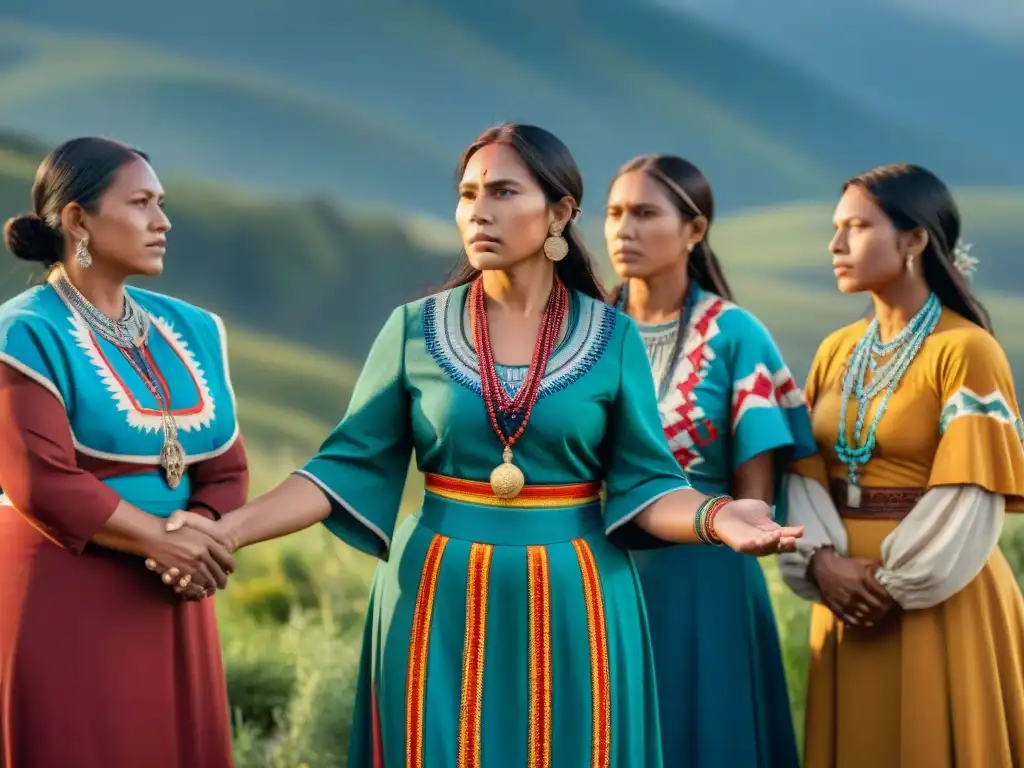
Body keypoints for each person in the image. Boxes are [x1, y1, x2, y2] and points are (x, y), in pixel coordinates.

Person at [157, 123, 802, 767]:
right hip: (436, 592)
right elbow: (340, 470)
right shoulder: (413, 329)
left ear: (559, 213)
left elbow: (648, 484)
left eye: (501, 192)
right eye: (467, 194)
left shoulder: (612, 337)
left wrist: (718, 516)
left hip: (580, 599)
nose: (478, 212)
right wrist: (229, 531)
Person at [0, 138, 246, 768]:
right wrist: (163, 541)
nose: (162, 222)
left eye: (160, 204)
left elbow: (226, 468)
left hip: (173, 590)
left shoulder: (191, 327)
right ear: (78, 220)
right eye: (141, 204)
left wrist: (200, 536)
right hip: (65, 590)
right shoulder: (25, 330)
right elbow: (43, 482)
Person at [778, 163, 1024, 767]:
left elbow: (971, 490)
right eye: (835, 228)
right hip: (842, 594)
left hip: (938, 591)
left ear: (915, 240)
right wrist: (824, 565)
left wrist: (894, 583)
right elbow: (806, 473)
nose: (835, 245)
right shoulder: (837, 350)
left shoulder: (966, 349)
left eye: (857, 228)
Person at [605, 153, 814, 767]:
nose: (624, 229)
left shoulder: (736, 335)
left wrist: (741, 524)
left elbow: (755, 498)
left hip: (707, 578)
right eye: (615, 213)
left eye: (645, 213)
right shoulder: (581, 330)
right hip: (596, 572)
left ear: (695, 231)